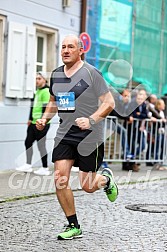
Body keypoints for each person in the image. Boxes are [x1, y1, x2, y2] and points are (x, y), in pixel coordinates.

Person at [36, 34, 118, 240]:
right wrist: (45, 118)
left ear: (80, 50)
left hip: (90, 136)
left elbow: (109, 103)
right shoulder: (55, 75)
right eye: (63, 47)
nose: (65, 50)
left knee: (87, 186)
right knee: (59, 178)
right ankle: (73, 225)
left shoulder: (91, 73)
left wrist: (91, 120)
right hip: (65, 134)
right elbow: (54, 102)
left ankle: (106, 181)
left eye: (70, 47)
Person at [16, 72, 51, 176]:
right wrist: (30, 119)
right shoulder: (37, 92)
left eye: (39, 78)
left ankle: (45, 168)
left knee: (41, 145)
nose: (37, 81)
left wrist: (42, 120)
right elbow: (32, 107)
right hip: (33, 123)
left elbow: (46, 108)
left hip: (41, 123)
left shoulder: (46, 91)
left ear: (44, 80)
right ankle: (28, 165)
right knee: (28, 142)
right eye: (36, 78)